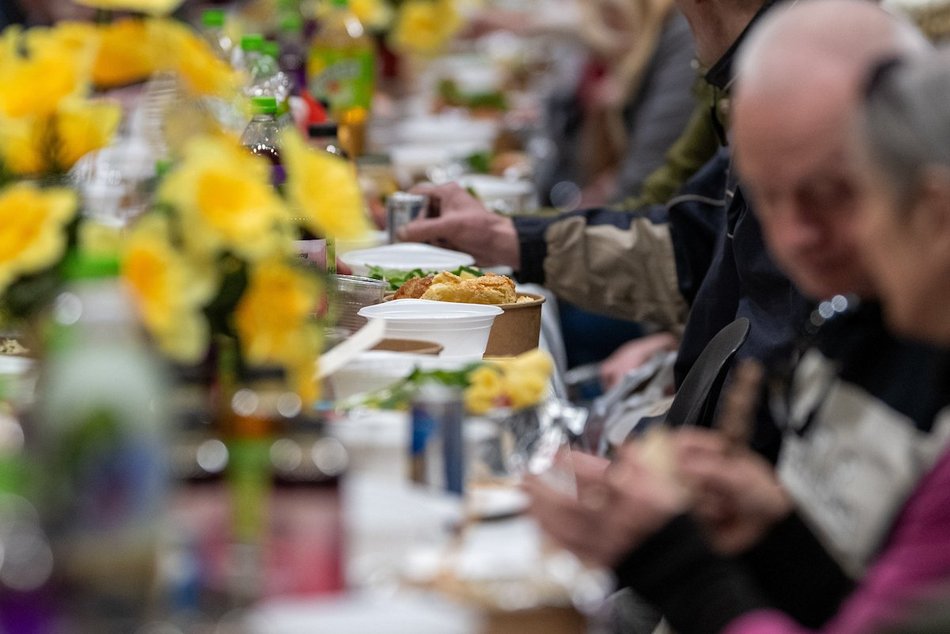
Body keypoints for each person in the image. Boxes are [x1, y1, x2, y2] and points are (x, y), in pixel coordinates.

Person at [525, 2, 950, 633]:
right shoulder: (854, 325)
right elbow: (859, 606)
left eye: (843, 194)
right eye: (766, 198)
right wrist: (772, 535)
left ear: (934, 212)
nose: (794, 237)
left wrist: (673, 562)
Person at [403, 0, 812, 457]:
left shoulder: (805, 84)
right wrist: (504, 236)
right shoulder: (749, 72)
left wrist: (658, 468)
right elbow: (689, 248)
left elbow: (776, 351)